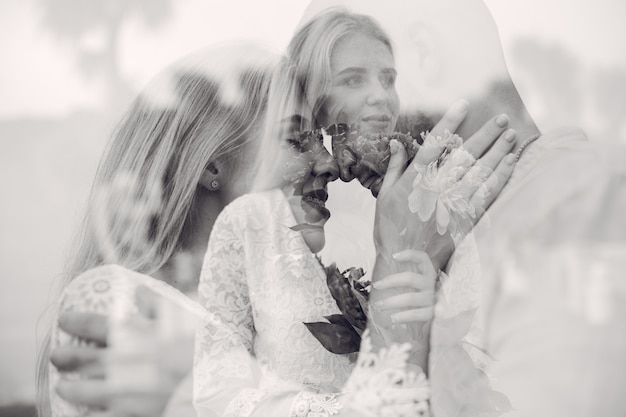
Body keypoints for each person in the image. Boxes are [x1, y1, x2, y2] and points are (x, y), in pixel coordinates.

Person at [304, 1, 626, 416]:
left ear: (421, 55)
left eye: (340, 128)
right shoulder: (464, 225)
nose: (342, 165)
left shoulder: (579, 209)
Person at [192, 8, 518, 417]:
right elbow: (214, 395)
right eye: (352, 79)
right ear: (310, 100)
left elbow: (488, 366)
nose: (381, 95)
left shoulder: (438, 216)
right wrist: (346, 410)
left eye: (389, 78)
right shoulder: (251, 223)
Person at [36, 42, 277, 417]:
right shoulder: (119, 304)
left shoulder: (264, 299)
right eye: (290, 139)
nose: (320, 161)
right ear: (213, 165)